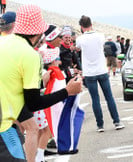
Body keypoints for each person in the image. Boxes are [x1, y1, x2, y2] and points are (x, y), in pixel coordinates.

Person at [0, 4, 82, 162]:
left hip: (7, 114)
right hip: (4, 127)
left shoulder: (4, 42)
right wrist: (67, 91)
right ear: (38, 32)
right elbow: (34, 103)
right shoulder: (30, 55)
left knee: (32, 127)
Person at [76, 15, 125, 132]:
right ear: (91, 25)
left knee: (95, 99)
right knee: (109, 97)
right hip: (101, 70)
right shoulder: (100, 36)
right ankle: (117, 121)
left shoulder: (80, 39)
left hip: (89, 72)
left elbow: (77, 48)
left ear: (81, 27)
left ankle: (100, 125)